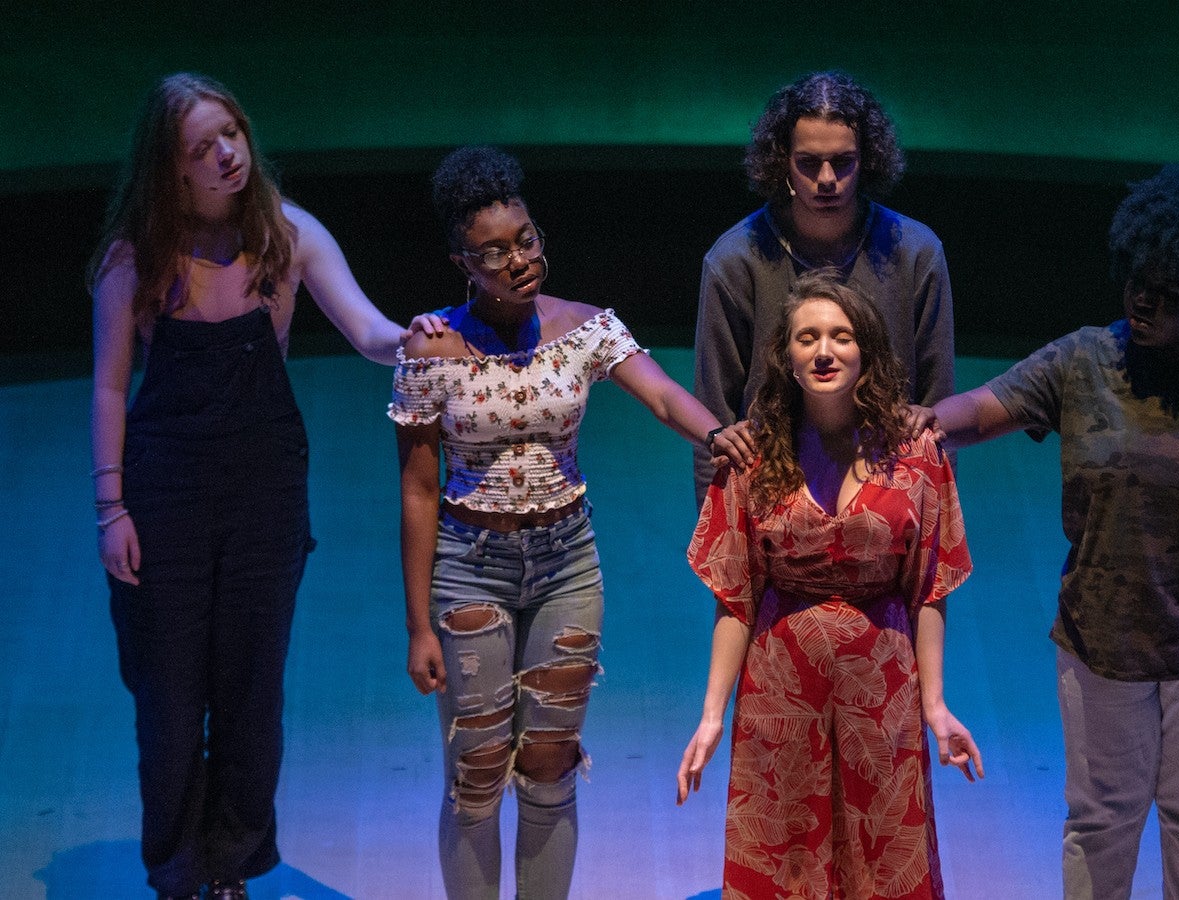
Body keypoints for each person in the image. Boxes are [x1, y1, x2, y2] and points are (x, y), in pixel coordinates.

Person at [931, 163, 1179, 900]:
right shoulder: (1089, 357)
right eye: (1137, 279)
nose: (1144, 300)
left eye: (1170, 290)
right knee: (1100, 820)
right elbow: (986, 408)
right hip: (1100, 645)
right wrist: (920, 428)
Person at [89, 73, 443, 900]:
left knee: (253, 693)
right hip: (165, 490)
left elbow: (366, 330)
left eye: (233, 134)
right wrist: (111, 507)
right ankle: (176, 870)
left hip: (265, 491)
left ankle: (232, 867)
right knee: (171, 700)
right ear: (170, 168)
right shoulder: (133, 256)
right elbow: (110, 386)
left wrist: (412, 336)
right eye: (203, 146)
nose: (227, 154)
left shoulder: (287, 234)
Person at [390, 146, 749, 899]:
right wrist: (419, 624)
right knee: (478, 768)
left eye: (526, 239)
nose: (518, 260)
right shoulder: (430, 347)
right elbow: (419, 489)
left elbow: (658, 394)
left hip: (566, 564)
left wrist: (715, 433)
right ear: (462, 260)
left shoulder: (586, 327)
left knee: (550, 759)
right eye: (494, 252)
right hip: (469, 562)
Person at [677, 272, 982, 899]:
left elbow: (930, 585)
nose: (823, 351)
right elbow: (734, 595)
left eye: (840, 337)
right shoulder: (752, 455)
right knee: (783, 852)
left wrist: (935, 705)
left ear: (864, 351)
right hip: (780, 687)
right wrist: (711, 716)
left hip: (884, 683)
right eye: (807, 338)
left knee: (885, 853)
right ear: (785, 356)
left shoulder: (917, 453)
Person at [693, 70, 956, 504]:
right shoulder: (735, 259)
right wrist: (713, 532)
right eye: (809, 163)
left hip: (888, 497)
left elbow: (938, 409)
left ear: (866, 160)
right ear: (783, 162)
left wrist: (936, 519)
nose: (828, 178)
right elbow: (713, 420)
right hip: (772, 496)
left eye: (844, 161)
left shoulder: (915, 252)